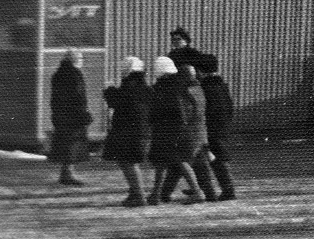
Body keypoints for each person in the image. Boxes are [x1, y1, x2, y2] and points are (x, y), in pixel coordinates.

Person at [147, 57, 206, 204]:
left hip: (168, 130)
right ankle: (156, 194)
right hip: (175, 129)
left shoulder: (165, 87)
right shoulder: (178, 84)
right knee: (163, 162)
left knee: (176, 160)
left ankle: (197, 192)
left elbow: (172, 110)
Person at [103, 56, 153, 206]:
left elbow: (116, 102)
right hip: (142, 131)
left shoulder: (129, 86)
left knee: (128, 162)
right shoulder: (146, 88)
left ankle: (138, 195)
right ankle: (134, 193)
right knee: (128, 162)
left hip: (128, 132)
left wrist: (109, 90)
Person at [195, 53, 236, 201]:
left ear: (200, 70)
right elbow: (230, 106)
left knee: (214, 159)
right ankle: (208, 188)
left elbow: (206, 110)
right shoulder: (221, 84)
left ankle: (227, 190)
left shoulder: (207, 87)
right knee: (215, 158)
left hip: (212, 129)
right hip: (222, 126)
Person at [49, 49, 92, 186]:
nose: (82, 60)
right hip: (73, 116)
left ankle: (65, 173)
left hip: (61, 115)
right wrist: (84, 114)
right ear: (74, 60)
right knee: (72, 145)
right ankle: (68, 174)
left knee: (66, 144)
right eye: (80, 58)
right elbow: (78, 96)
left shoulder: (58, 73)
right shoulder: (75, 74)